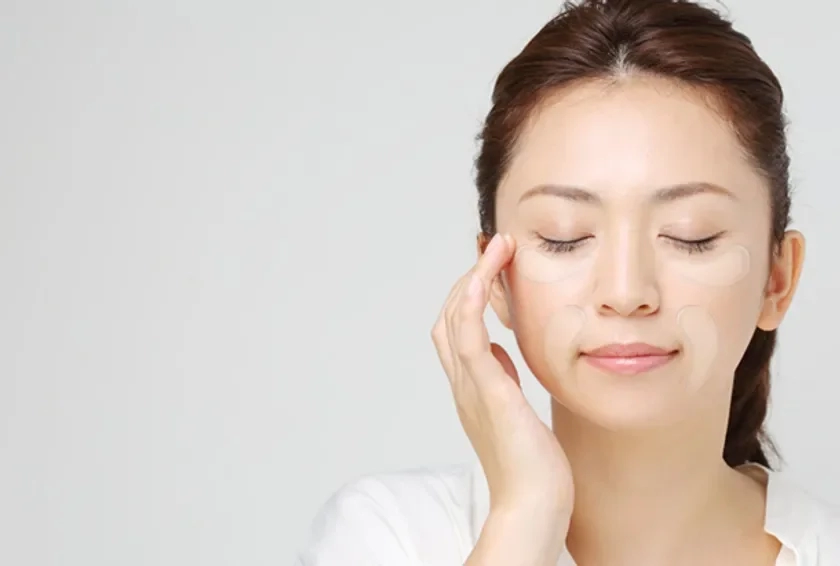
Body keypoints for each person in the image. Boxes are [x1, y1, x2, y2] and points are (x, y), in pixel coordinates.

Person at [294, 0, 840, 564]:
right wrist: (528, 513)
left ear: (778, 279)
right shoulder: (390, 535)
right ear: (496, 279)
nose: (627, 292)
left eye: (690, 235)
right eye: (564, 237)